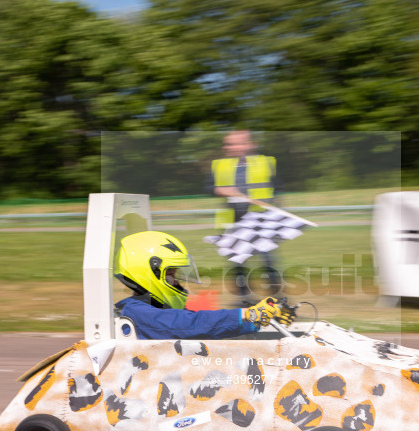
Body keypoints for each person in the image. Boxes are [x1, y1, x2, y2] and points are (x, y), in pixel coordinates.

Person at [114, 230, 294, 340]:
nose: (177, 281)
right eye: (170, 274)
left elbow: (208, 326)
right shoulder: (136, 312)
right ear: (147, 274)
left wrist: (256, 321)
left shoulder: (160, 308)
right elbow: (189, 325)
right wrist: (248, 313)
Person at [209, 130, 280, 301]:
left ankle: (277, 299)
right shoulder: (219, 165)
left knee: (268, 263)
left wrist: (276, 211)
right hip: (234, 223)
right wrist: (222, 190)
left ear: (251, 144)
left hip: (260, 222)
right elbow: (209, 187)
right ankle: (245, 300)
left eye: (238, 143)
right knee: (238, 264)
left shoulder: (266, 162)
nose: (232, 147)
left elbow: (278, 188)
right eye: (229, 144)